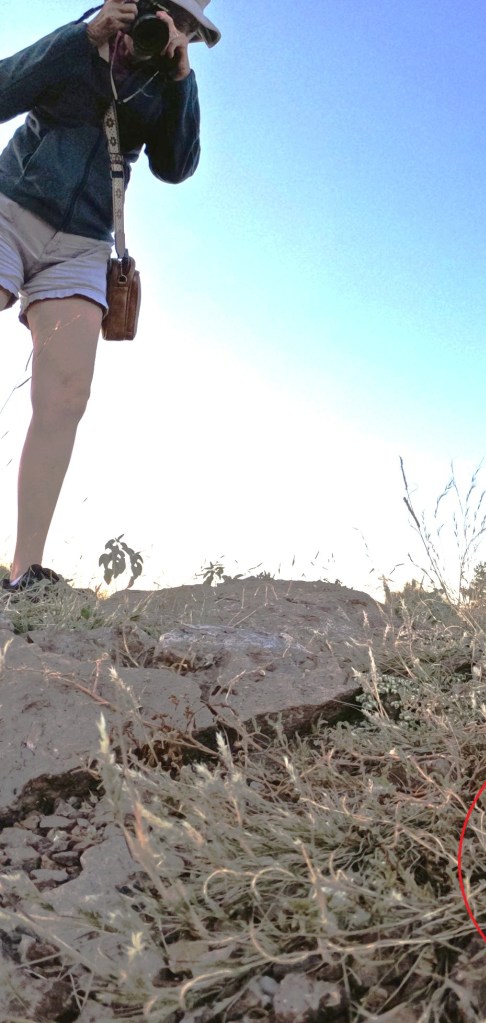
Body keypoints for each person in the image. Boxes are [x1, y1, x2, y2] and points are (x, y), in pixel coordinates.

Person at [0, 0, 220, 593]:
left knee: (66, 396)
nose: (167, 25)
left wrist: (182, 83)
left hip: (83, 242)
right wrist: (81, 38)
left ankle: (23, 571)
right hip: (10, 207)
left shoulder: (168, 81)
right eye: (162, 9)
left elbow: (176, 167)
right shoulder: (80, 40)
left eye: (184, 24)